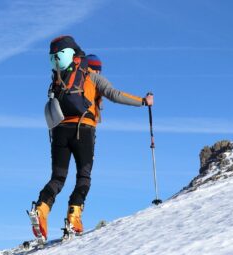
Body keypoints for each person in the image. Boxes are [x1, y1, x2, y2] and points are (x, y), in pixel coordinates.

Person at [32, 36, 153, 240]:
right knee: (84, 177)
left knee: (58, 178)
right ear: (97, 68)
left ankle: (41, 210)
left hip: (59, 130)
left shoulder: (61, 76)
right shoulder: (93, 77)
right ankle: (73, 218)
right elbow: (115, 94)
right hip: (83, 130)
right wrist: (143, 101)